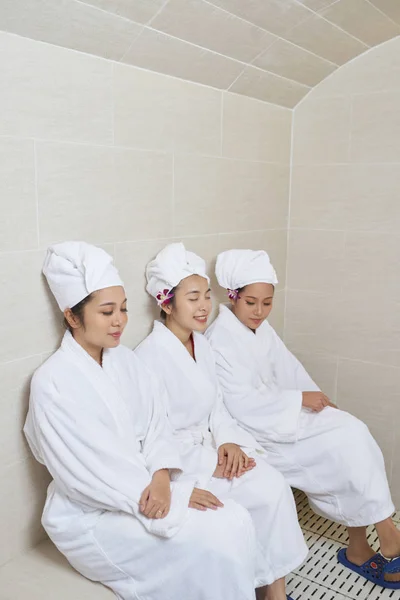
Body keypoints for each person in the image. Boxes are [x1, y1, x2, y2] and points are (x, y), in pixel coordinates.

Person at [23, 241, 261, 600]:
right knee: (216, 533)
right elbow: (88, 471)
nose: (120, 320)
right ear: (73, 317)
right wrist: (172, 494)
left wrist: (163, 475)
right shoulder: (53, 382)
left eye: (123, 308)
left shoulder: (124, 362)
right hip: (93, 512)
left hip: (148, 487)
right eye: (107, 312)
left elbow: (156, 426)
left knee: (235, 518)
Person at [205, 248, 400, 590]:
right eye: (251, 302)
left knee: (352, 431)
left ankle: (369, 541)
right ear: (233, 296)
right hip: (257, 432)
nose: (260, 311)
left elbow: (289, 369)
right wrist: (299, 400)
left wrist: (317, 399)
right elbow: (241, 404)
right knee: (343, 445)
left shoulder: (260, 331)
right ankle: (387, 539)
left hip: (284, 416)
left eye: (267, 302)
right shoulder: (219, 339)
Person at [135, 242, 308, 600]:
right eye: (193, 297)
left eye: (207, 296)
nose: (204, 306)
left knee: (272, 484)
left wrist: (228, 441)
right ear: (166, 303)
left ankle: (272, 591)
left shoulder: (203, 345)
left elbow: (217, 407)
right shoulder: (147, 359)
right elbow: (155, 436)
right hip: (186, 463)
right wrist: (211, 460)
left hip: (216, 447)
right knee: (250, 501)